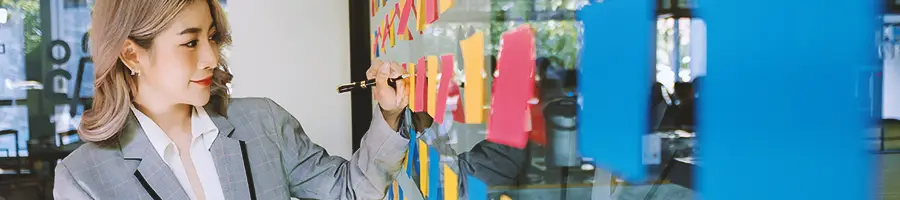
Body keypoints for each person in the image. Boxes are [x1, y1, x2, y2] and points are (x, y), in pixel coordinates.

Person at [53, 0, 410, 199]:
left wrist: (389, 114)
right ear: (131, 55)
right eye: (190, 42)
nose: (210, 57)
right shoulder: (82, 178)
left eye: (211, 37)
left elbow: (352, 190)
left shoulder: (263, 122)